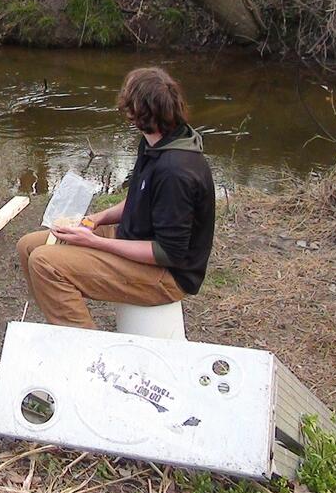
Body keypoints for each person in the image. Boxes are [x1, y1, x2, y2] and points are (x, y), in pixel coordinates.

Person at [16, 66, 215, 329]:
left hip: (166, 276)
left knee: (45, 264)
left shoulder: (175, 172)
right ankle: (62, 323)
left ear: (139, 112)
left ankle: (88, 353)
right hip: (132, 239)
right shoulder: (157, 141)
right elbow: (139, 200)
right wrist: (95, 219)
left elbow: (168, 253)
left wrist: (95, 243)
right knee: (28, 246)